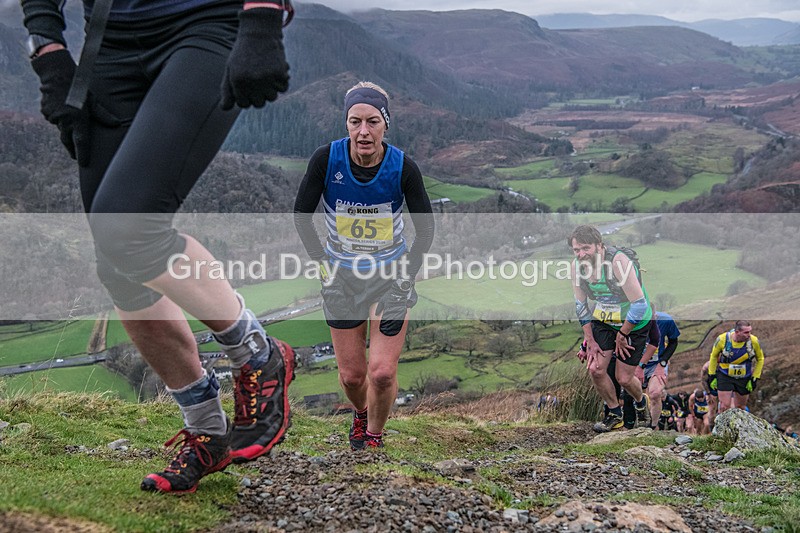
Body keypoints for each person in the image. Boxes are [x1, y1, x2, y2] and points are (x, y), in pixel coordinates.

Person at [21, 0, 296, 493]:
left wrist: (260, 16)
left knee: (127, 229)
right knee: (117, 263)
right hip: (109, 42)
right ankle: (206, 431)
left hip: (206, 23)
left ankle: (257, 352)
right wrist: (47, 46)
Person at [293, 82, 434, 450]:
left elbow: (427, 228)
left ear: (386, 125)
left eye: (373, 121)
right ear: (346, 124)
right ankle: (360, 413)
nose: (363, 131)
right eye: (355, 121)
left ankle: (373, 435)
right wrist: (324, 269)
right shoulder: (326, 160)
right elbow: (301, 217)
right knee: (353, 378)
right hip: (342, 278)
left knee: (383, 373)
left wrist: (406, 278)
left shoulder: (403, 167)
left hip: (390, 277)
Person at [569, 225, 652, 432]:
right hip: (605, 319)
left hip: (634, 321)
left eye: (586, 248)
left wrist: (623, 334)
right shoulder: (576, 267)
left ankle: (641, 402)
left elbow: (640, 304)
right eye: (576, 250)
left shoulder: (618, 262)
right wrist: (590, 340)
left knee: (623, 378)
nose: (581, 255)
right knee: (595, 369)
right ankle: (615, 414)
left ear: (599, 245)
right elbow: (581, 305)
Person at [634, 307, 680, 428]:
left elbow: (673, 342)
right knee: (636, 394)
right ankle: (635, 424)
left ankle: (652, 427)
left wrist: (662, 363)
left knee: (655, 393)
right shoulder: (631, 321)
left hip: (656, 363)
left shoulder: (666, 321)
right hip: (636, 363)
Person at [707, 320, 765, 413]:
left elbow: (760, 359)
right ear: (737, 332)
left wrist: (755, 378)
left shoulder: (753, 341)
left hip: (744, 376)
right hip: (725, 375)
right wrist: (712, 375)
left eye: (750, 331)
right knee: (724, 406)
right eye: (746, 332)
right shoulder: (722, 339)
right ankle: (722, 426)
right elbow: (713, 356)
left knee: (740, 407)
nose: (749, 335)